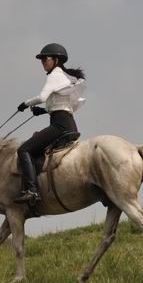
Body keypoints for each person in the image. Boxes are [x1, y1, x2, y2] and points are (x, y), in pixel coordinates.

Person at [14, 43, 86, 205]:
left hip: (59, 126)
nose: (43, 63)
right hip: (69, 124)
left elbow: (42, 97)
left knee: (24, 149)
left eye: (45, 59)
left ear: (56, 60)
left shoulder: (54, 75)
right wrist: (43, 111)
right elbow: (61, 105)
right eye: (41, 60)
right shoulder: (63, 77)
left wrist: (25, 104)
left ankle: (32, 190)